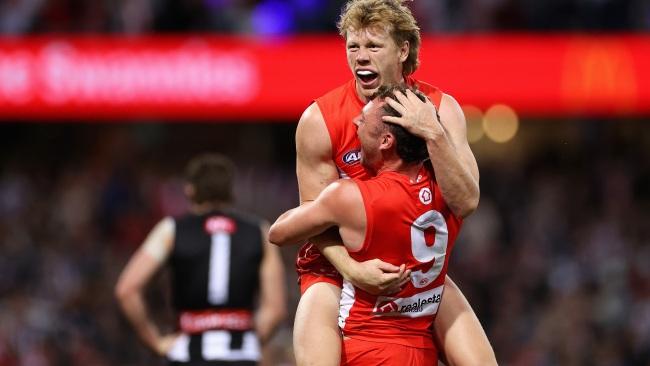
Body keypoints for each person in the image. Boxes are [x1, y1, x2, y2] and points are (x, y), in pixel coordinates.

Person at [292, 0, 496, 365]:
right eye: (353, 47)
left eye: (373, 46)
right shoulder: (320, 120)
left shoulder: (442, 108)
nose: (361, 57)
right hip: (336, 271)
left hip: (416, 273)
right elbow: (314, 221)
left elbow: (466, 202)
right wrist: (355, 270)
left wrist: (432, 133)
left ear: (403, 50)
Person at [271, 85, 466, 365]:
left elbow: (278, 232)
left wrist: (349, 265)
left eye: (362, 120)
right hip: (422, 347)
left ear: (386, 141)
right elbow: (468, 196)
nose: (355, 122)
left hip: (367, 348)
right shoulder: (450, 194)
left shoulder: (351, 196)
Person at [115, 153, 287, 366]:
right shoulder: (259, 231)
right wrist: (248, 339)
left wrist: (155, 341)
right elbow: (276, 308)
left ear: (189, 189)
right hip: (241, 353)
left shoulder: (171, 230)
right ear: (230, 191)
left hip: (188, 352)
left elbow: (127, 289)